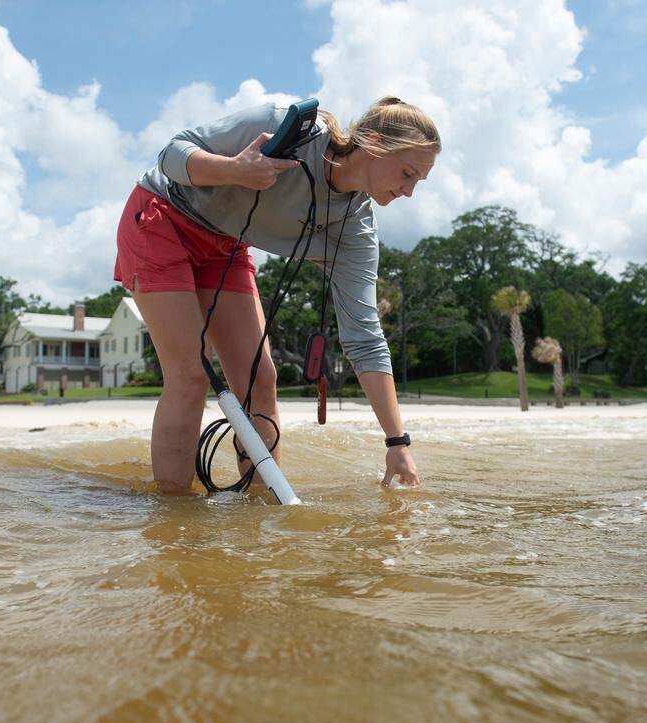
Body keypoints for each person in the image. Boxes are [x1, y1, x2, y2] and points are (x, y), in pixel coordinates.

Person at [114, 96, 440, 493]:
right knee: (190, 375)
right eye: (407, 173)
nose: (409, 192)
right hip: (161, 215)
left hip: (224, 244)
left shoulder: (355, 232)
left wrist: (396, 442)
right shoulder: (284, 129)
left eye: (418, 182)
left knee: (260, 379)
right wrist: (234, 169)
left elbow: (366, 339)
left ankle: (261, 514)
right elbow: (171, 154)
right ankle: (173, 516)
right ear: (372, 143)